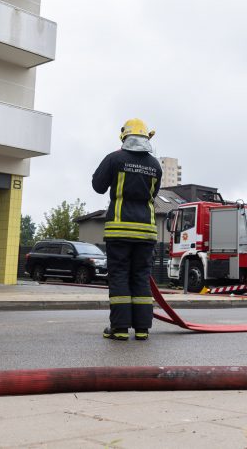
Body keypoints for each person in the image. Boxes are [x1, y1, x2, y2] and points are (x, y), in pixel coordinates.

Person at [92, 118, 162, 342]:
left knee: (120, 277)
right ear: (145, 138)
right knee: (141, 277)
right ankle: (142, 329)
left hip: (119, 230)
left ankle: (120, 328)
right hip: (146, 231)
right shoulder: (155, 165)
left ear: (124, 136)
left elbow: (98, 186)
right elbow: (153, 194)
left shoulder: (115, 158)